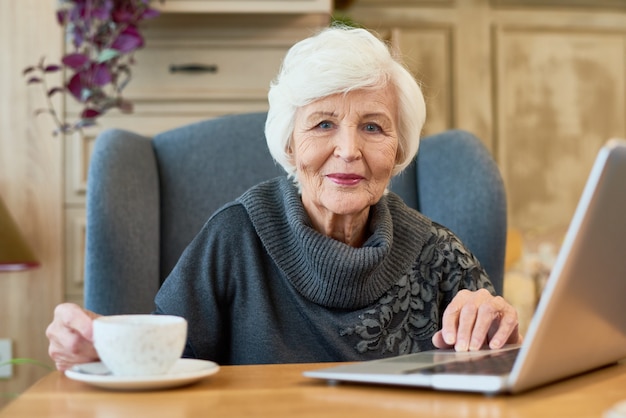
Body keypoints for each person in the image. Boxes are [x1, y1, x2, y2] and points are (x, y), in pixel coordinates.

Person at [47, 25, 521, 371]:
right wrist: (98, 348)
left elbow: (498, 370)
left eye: (373, 126)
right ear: (290, 146)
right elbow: (161, 360)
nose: (349, 150)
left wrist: (502, 336)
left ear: (397, 149)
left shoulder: (436, 253)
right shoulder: (235, 236)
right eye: (323, 124)